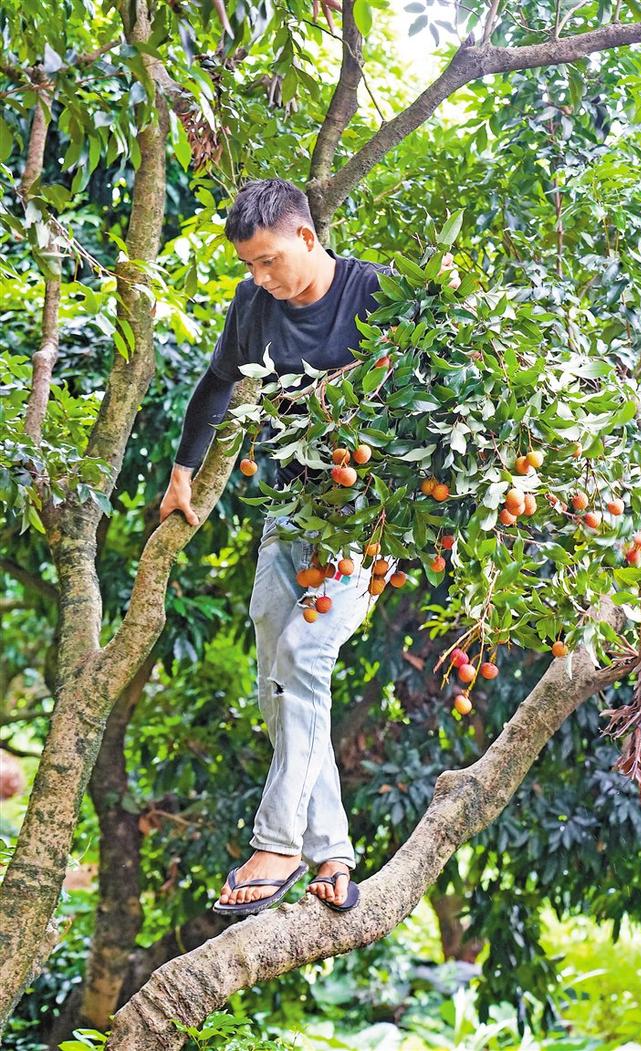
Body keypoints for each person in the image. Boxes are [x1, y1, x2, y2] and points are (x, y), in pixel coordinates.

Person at [159, 178, 458, 917]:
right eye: (250, 265)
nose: (259, 277)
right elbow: (216, 383)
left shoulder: (378, 294)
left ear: (304, 237)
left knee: (301, 656)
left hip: (364, 520)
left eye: (267, 260)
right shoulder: (255, 305)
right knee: (277, 668)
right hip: (292, 510)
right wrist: (182, 472)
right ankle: (333, 849)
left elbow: (449, 387)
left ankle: (279, 842)